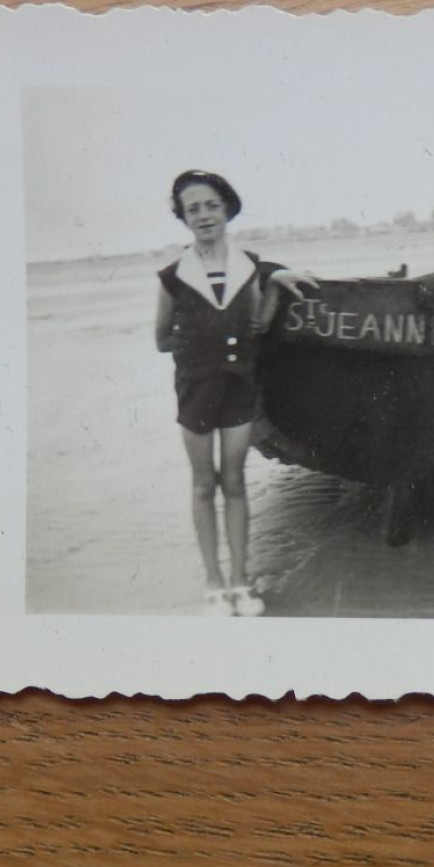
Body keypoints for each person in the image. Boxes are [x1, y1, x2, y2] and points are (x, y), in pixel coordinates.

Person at [154, 170, 316, 616]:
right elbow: (161, 339)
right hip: (196, 392)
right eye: (193, 208)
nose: (203, 215)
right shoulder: (172, 277)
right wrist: (200, 341)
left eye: (211, 205)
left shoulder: (252, 268)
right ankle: (214, 584)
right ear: (183, 218)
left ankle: (241, 584)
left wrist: (280, 279)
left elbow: (264, 308)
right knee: (204, 485)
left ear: (226, 209)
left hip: (239, 390)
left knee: (236, 482)